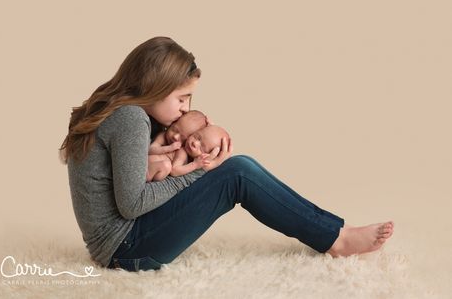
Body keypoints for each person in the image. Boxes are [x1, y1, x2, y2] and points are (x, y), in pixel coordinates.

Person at [59, 36, 394, 272]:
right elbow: (131, 204)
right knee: (238, 173)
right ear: (153, 88)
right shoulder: (130, 118)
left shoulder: (122, 112)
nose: (185, 108)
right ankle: (336, 238)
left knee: (236, 169)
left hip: (123, 244)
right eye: (181, 98)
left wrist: (190, 142)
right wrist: (203, 170)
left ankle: (333, 233)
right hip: (127, 250)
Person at [146, 110, 215, 181]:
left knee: (166, 166)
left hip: (154, 176)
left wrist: (210, 130)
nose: (175, 136)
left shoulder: (182, 152)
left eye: (183, 139)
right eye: (174, 129)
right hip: (145, 167)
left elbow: (175, 170)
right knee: (166, 165)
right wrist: (169, 148)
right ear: (173, 123)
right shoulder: (163, 136)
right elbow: (149, 150)